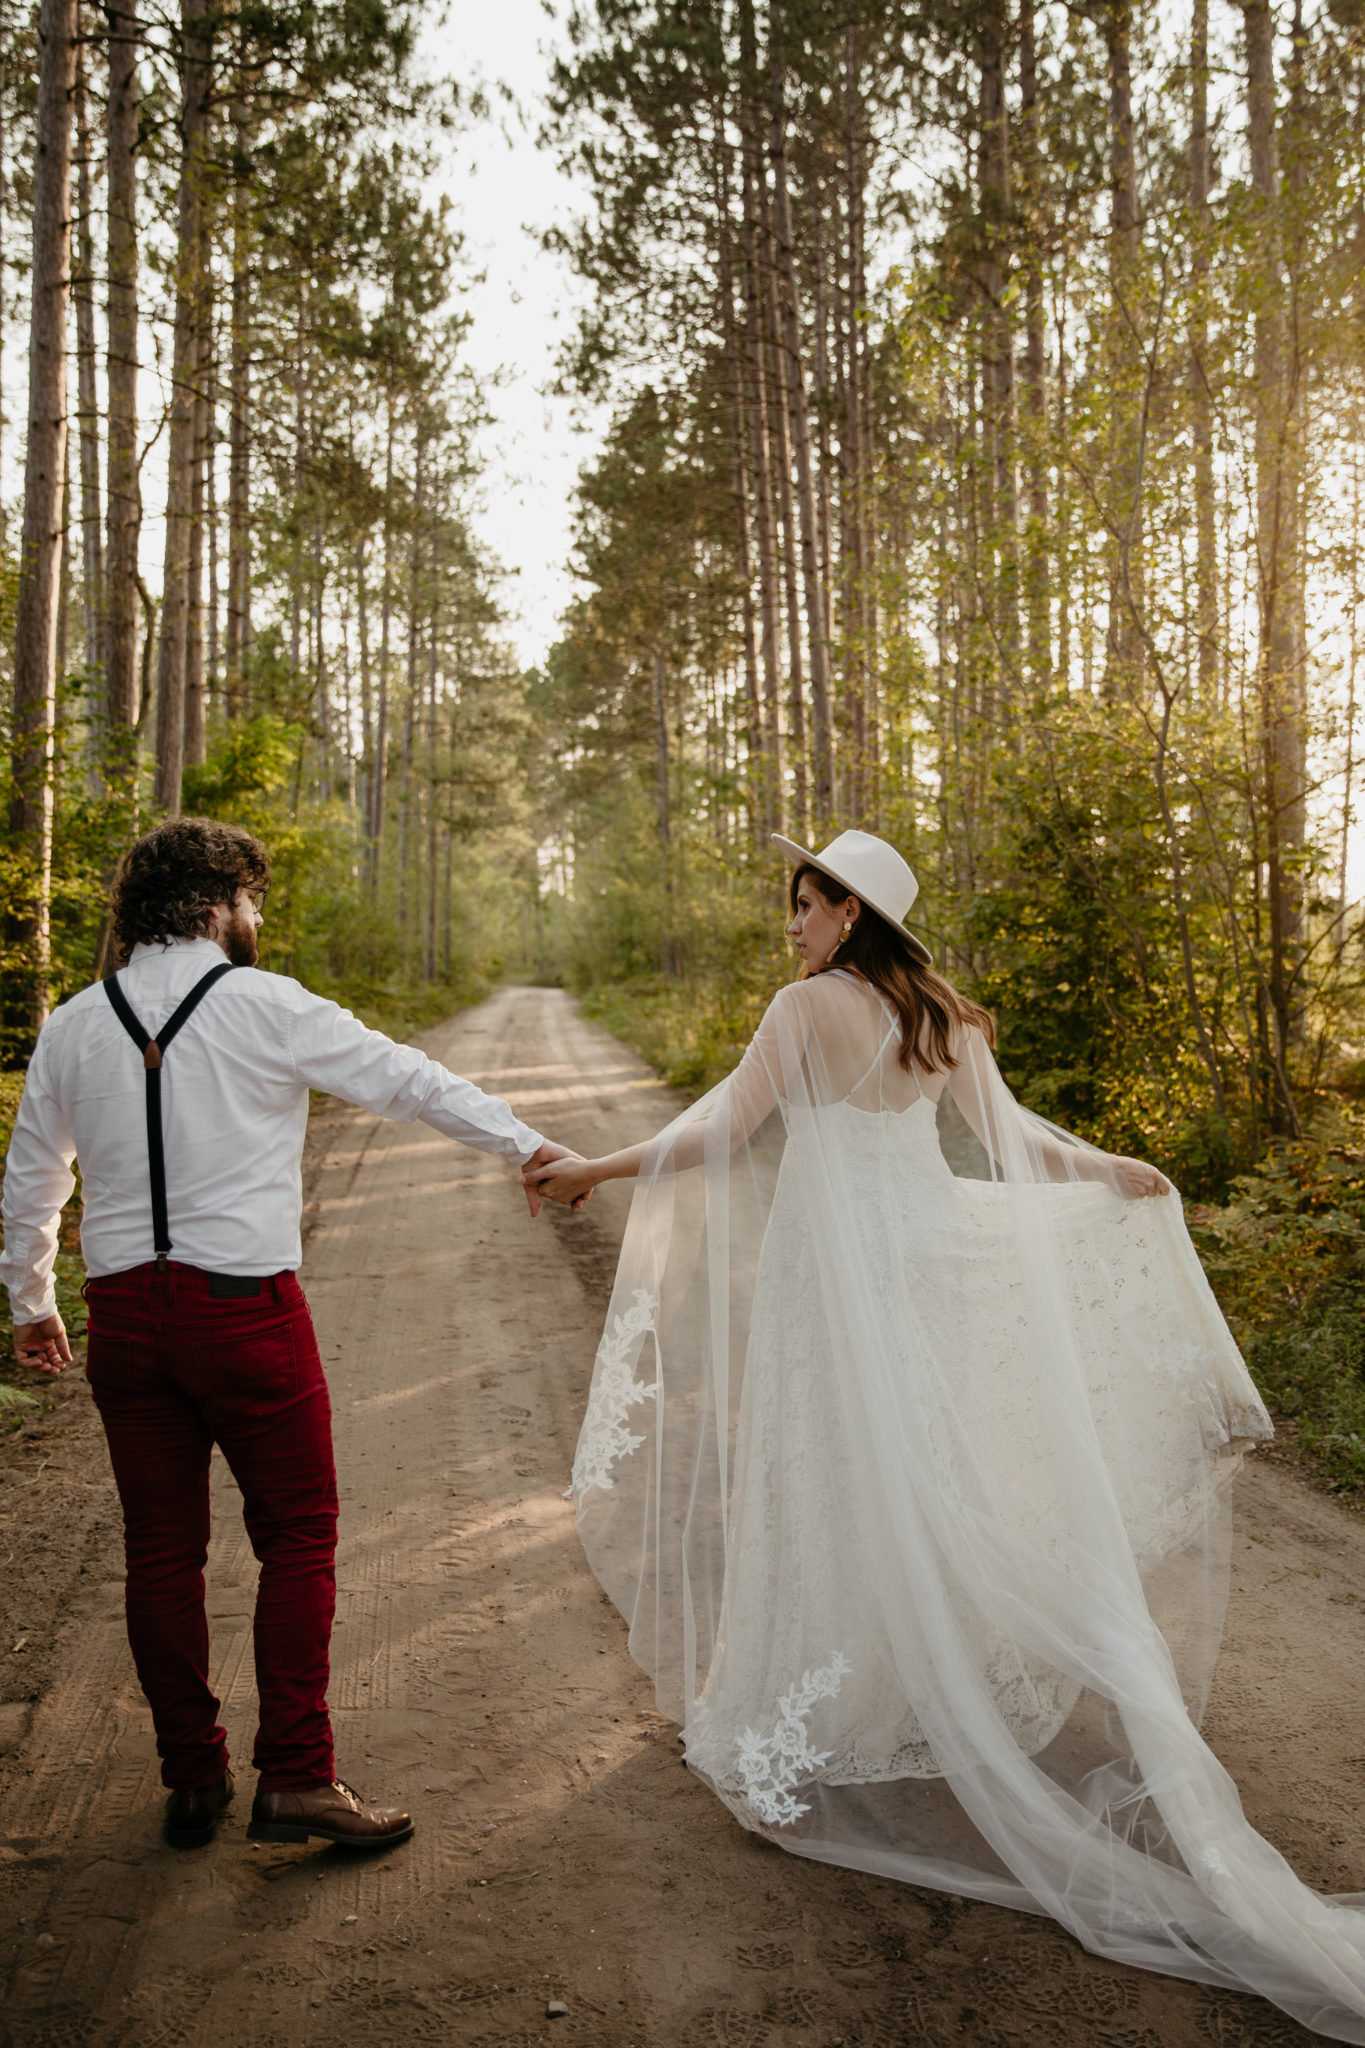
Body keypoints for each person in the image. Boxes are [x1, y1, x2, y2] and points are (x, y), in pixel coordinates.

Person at [527, 829, 1365, 2043]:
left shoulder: (804, 1010)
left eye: (809, 905)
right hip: (925, 1268)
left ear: (853, 912)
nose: (795, 925)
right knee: (925, 1472)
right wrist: (1099, 1166)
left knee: (831, 1476)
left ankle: (839, 1689)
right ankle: (903, 1673)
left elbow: (718, 1133)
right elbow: (1017, 1145)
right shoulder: (942, 1018)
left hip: (838, 1284)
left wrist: (591, 1170)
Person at [1, 818, 582, 1851]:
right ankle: (298, 1776)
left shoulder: (74, 1022)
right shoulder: (264, 1003)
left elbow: (35, 1174)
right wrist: (529, 1142)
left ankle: (192, 1776)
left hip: (128, 1318)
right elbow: (409, 1078)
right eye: (251, 901)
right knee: (300, 1534)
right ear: (222, 901)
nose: (255, 920)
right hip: (247, 1313)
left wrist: (32, 1298)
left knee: (162, 1553)